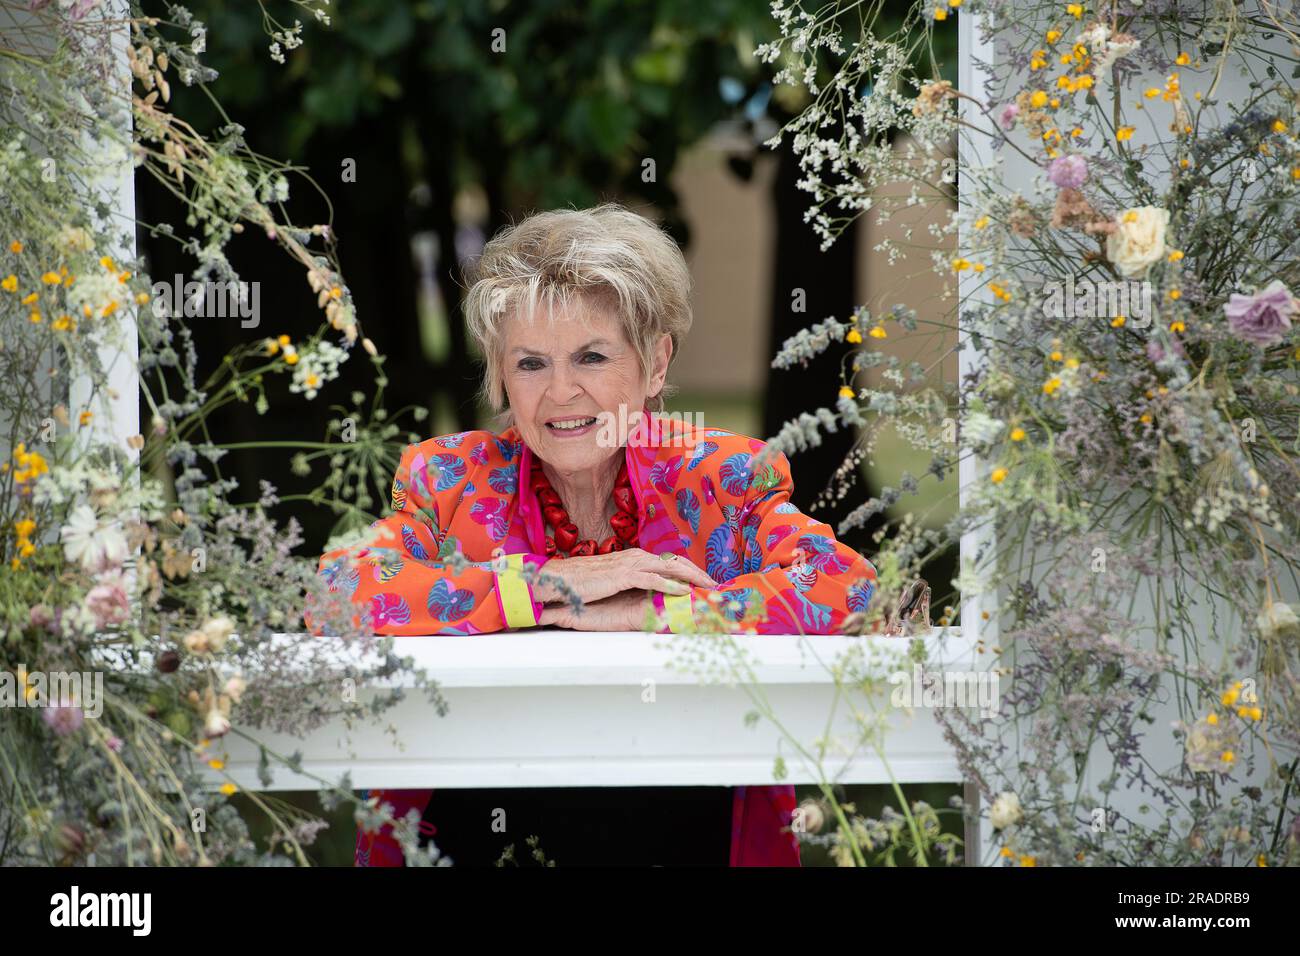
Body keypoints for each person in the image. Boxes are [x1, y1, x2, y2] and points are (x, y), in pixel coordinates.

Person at [304, 202, 878, 866]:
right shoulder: (450, 480)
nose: (561, 392)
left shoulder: (719, 479)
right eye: (530, 364)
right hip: (484, 825)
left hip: (679, 822)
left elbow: (846, 587)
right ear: (499, 376)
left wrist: (647, 612)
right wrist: (548, 590)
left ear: (655, 364)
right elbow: (338, 592)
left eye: (592, 356)